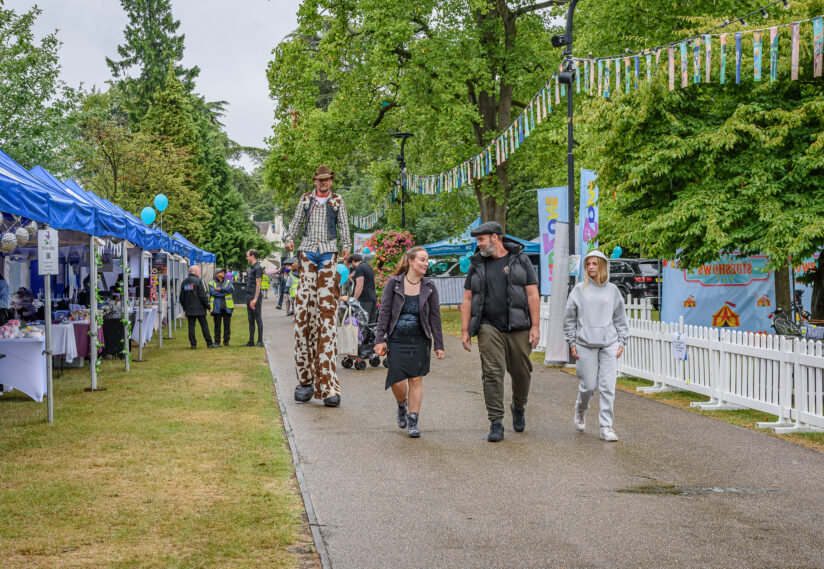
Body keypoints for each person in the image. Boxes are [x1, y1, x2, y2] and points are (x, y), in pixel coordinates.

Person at [461, 221, 540, 442]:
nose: (479, 244)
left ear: (495, 237)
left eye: (482, 239)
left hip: (518, 326)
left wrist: (535, 326)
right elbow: (468, 298)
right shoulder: (476, 263)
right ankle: (496, 422)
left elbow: (532, 294)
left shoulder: (520, 259)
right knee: (492, 373)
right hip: (488, 326)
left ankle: (519, 405)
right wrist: (465, 329)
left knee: (521, 372)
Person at [285, 164, 351, 407]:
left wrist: (347, 245)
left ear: (331, 181)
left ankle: (328, 383)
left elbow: (344, 224)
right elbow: (295, 223)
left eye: (327, 180)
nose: (323, 183)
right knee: (304, 311)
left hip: (328, 252)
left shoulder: (337, 201)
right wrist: (289, 239)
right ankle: (305, 379)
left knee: (326, 313)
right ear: (315, 181)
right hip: (308, 251)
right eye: (319, 180)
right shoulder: (305, 200)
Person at [374, 247, 444, 438]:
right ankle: (401, 405)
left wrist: (439, 344)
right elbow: (384, 313)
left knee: (416, 379)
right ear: (411, 261)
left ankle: (413, 421)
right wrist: (379, 339)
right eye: (422, 260)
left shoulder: (429, 286)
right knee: (396, 380)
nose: (426, 263)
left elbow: (435, 318)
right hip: (397, 339)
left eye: (427, 260)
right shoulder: (394, 283)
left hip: (420, 340)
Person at [563, 250, 628, 442]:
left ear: (602, 265)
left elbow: (620, 318)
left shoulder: (613, 291)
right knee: (589, 386)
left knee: (608, 386)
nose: (591, 267)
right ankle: (580, 409)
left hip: (609, 343)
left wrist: (621, 340)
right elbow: (569, 319)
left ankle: (606, 426)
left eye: (594, 264)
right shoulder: (579, 290)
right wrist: (572, 341)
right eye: (588, 264)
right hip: (585, 343)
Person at [180, 265, 217, 350]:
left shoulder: (184, 282)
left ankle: (193, 344)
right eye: (199, 271)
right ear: (195, 272)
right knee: (204, 326)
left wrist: (185, 308)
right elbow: (203, 296)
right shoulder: (199, 281)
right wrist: (208, 307)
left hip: (189, 308)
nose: (199, 272)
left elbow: (181, 297)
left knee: (191, 327)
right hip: (199, 308)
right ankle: (209, 343)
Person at [348, 253, 377, 324]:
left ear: (353, 261)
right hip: (372, 298)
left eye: (351, 264)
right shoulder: (367, 266)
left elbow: (359, 285)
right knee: (371, 325)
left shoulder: (359, 268)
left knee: (363, 325)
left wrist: (354, 299)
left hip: (364, 300)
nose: (352, 266)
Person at [208, 268, 234, 347]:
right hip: (217, 307)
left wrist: (221, 289)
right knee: (217, 326)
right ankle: (217, 341)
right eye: (221, 272)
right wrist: (224, 293)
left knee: (227, 325)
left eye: (224, 272)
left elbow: (231, 290)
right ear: (216, 274)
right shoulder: (211, 283)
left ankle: (226, 341)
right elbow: (213, 293)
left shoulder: (228, 282)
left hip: (227, 307)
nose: (223, 273)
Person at [244, 249, 264, 347]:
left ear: (253, 256)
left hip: (254, 297)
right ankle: (251, 341)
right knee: (250, 319)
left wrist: (255, 299)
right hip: (248, 296)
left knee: (257, 318)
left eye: (247, 256)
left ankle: (260, 341)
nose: (246, 257)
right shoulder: (251, 267)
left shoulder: (258, 268)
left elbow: (258, 284)